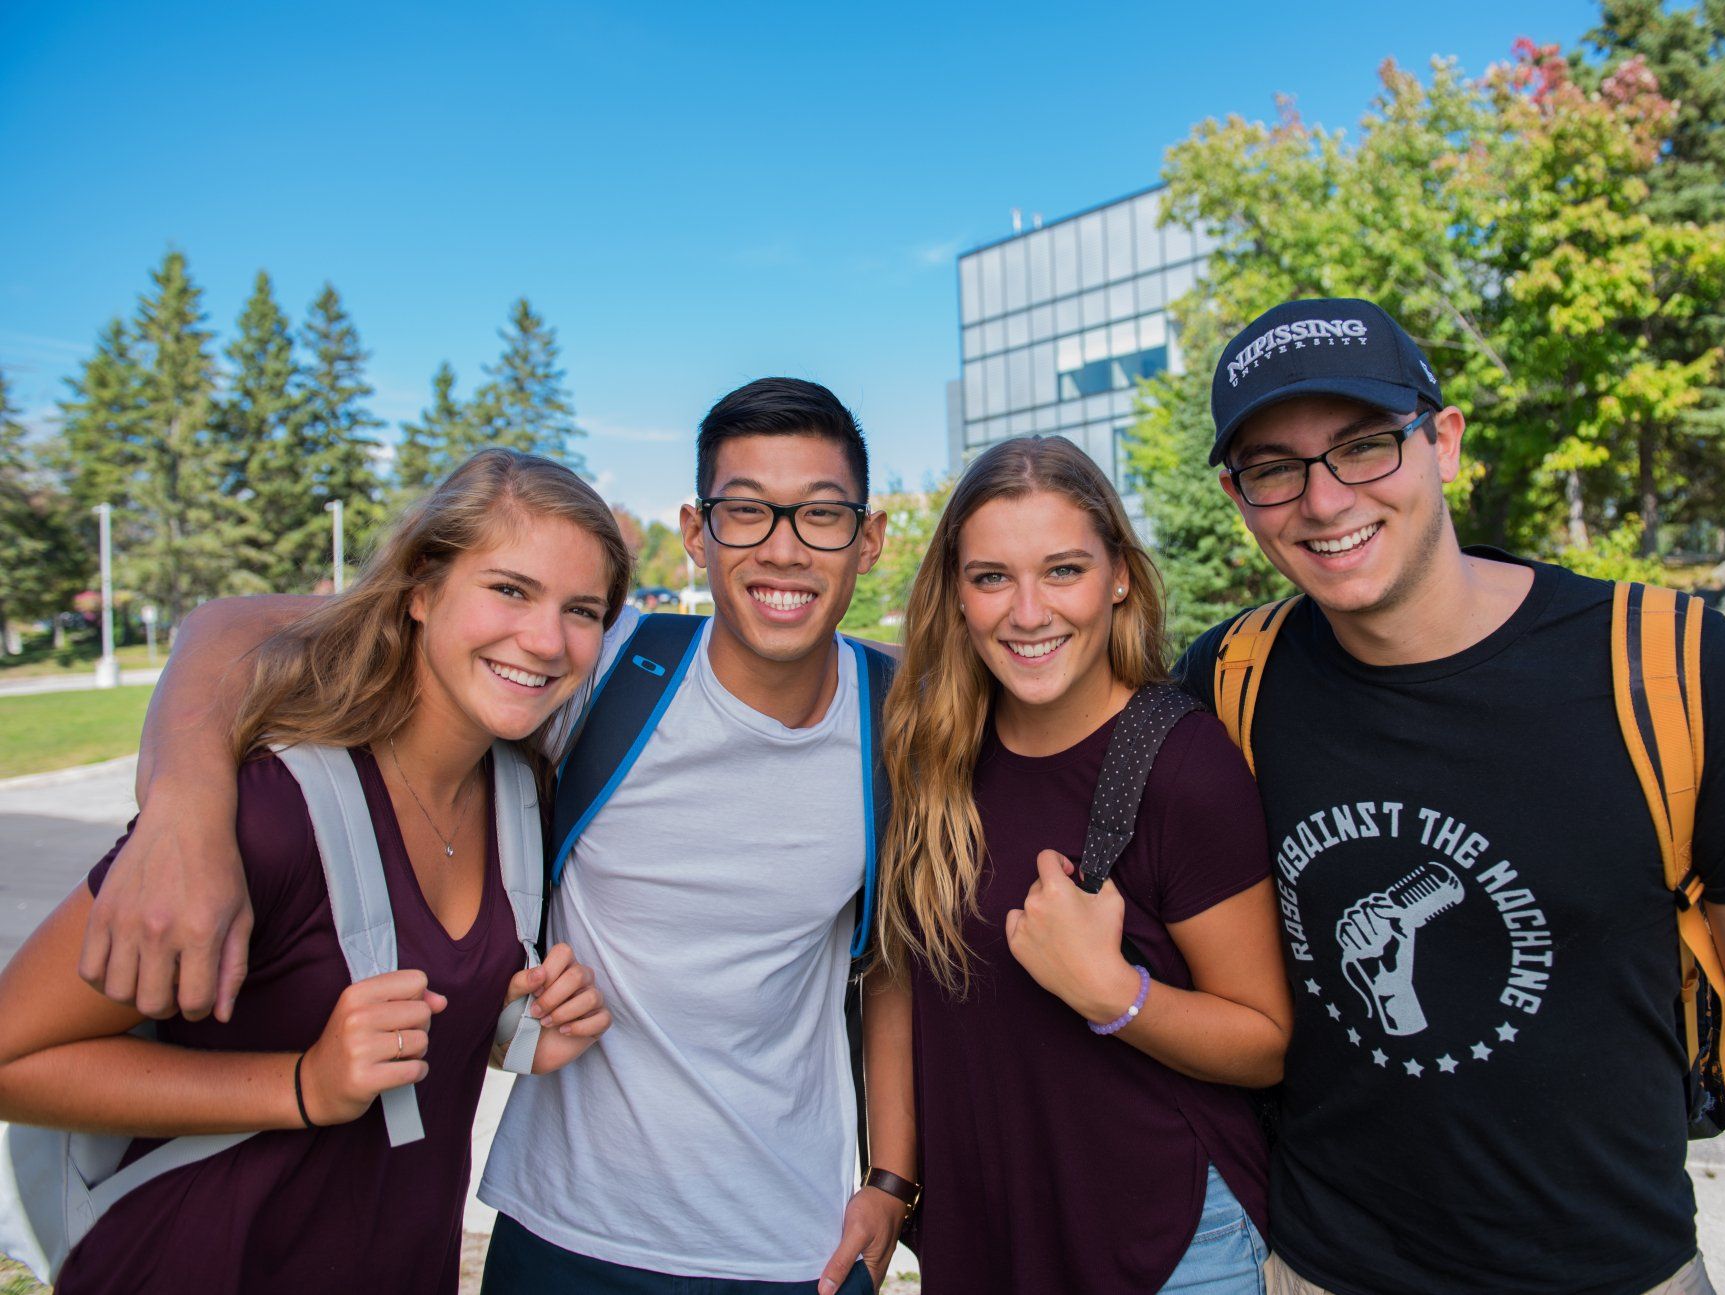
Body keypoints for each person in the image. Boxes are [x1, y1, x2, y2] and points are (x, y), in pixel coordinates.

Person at [74, 378, 911, 1295]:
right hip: (565, 1233)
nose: (784, 547)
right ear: (696, 531)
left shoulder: (899, 714)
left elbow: (891, 964)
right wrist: (187, 805)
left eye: (822, 514)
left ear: (869, 538)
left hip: (795, 1248)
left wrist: (891, 1181)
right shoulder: (601, 661)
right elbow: (230, 626)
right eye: (746, 510)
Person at [1171, 297, 1725, 1295]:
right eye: (1274, 467)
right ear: (1239, 495)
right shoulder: (1230, 680)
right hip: (1315, 1271)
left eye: (1364, 445)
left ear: (1444, 441)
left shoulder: (1671, 669)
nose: (1325, 498)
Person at [0, 448, 622, 1294]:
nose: (547, 639)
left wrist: (516, 1025)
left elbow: (390, 1010)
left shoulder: (520, 798)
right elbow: (14, 1057)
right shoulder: (267, 813)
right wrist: (300, 1085)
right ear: (421, 587)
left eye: (582, 609)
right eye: (510, 589)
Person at [868, 436, 1291, 1293]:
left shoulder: (1182, 763)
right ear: (956, 591)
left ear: (1119, 576)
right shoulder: (929, 754)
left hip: (1167, 1247)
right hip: (990, 1241)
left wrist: (1114, 994)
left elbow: (1264, 1041)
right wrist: (889, 1181)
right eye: (992, 577)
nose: (1028, 612)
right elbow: (898, 977)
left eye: (1063, 570)